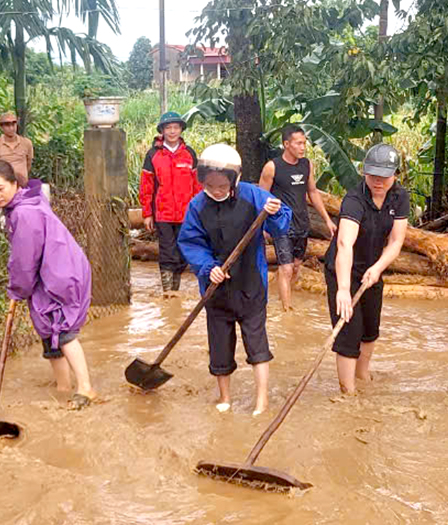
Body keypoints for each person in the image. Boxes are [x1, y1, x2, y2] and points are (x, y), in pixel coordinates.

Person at [177, 143, 291, 415]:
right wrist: (208, 268)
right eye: (210, 185)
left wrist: (275, 212)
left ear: (234, 179)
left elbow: (282, 224)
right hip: (216, 289)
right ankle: (224, 397)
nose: (216, 191)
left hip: (250, 284)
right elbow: (191, 243)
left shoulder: (253, 196)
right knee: (219, 345)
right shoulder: (197, 206)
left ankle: (261, 401)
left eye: (221, 186)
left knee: (257, 343)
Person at [0, 160, 97, 409]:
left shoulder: (24, 212)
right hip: (52, 271)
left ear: (14, 183)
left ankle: (85, 387)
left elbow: (24, 259)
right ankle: (63, 386)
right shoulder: (25, 201)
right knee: (47, 328)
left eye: (0, 188)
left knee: (63, 332)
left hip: (61, 273)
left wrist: (17, 289)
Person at [324, 143, 409, 395]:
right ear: (365, 173)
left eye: (384, 176)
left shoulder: (399, 197)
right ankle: (348, 394)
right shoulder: (354, 199)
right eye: (372, 175)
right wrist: (342, 289)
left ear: (395, 174)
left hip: (373, 269)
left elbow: (396, 241)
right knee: (348, 333)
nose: (378, 181)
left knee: (370, 330)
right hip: (344, 270)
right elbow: (344, 244)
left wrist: (378, 268)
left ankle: (363, 377)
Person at [258, 124, 337, 311]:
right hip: (281, 225)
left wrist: (327, 220)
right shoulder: (272, 167)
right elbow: (261, 198)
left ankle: (283, 296)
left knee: (295, 267)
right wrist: (261, 227)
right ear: (286, 144)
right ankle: (287, 311)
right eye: (298, 143)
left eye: (304, 143)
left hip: (302, 224)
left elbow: (313, 192)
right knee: (285, 268)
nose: (303, 147)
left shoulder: (306, 164)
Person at [139, 111, 202, 297]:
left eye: (176, 128)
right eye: (168, 128)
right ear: (162, 131)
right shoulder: (153, 155)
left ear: (181, 130)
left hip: (186, 213)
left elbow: (197, 186)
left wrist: (198, 211)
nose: (172, 131)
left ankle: (175, 288)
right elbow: (146, 187)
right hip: (162, 213)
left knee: (183, 252)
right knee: (167, 251)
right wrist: (147, 213)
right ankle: (169, 293)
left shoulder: (189, 154)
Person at [0, 112, 34, 187]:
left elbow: (29, 163)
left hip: (22, 185)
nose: (11, 128)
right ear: (1, 127)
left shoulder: (26, 143)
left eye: (13, 124)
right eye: (7, 125)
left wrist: (20, 176)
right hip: (4, 186)